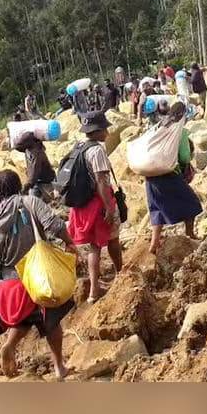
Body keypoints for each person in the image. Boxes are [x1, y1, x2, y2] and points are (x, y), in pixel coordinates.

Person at [0, 171, 76, 379]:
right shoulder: (30, 202)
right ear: (17, 185)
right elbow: (55, 225)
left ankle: (10, 345)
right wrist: (70, 242)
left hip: (9, 286)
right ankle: (59, 366)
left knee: (26, 318)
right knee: (52, 321)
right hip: (39, 277)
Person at [65, 111, 123, 302]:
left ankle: (93, 291)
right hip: (98, 204)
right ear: (97, 130)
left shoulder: (79, 147)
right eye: (104, 128)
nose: (107, 131)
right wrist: (109, 206)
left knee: (94, 246)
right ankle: (120, 274)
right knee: (112, 240)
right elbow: (101, 181)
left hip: (82, 207)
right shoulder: (96, 151)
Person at [144, 102, 202, 254]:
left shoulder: (156, 127)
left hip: (150, 176)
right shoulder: (179, 132)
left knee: (156, 208)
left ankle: (154, 242)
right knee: (192, 203)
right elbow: (184, 157)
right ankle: (189, 233)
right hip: (169, 175)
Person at [13, 132, 56, 200]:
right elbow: (17, 147)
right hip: (38, 180)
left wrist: (26, 187)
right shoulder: (28, 149)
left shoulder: (36, 153)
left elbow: (35, 172)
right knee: (33, 201)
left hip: (45, 181)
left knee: (36, 201)